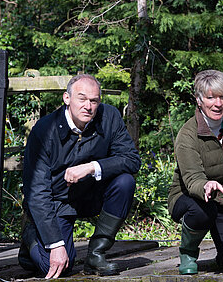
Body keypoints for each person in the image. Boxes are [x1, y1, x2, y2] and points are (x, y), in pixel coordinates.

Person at [18, 74, 141, 278]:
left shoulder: (109, 117)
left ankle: (96, 254)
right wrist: (55, 244)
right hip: (58, 201)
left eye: (94, 101)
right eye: (81, 99)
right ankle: (31, 238)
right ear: (67, 98)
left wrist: (91, 167)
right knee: (57, 267)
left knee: (125, 181)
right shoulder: (44, 130)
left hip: (91, 194)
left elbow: (131, 159)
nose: (88, 106)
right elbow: (37, 192)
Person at [168, 70, 223, 274]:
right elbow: (192, 178)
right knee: (202, 209)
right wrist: (206, 185)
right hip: (191, 197)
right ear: (199, 100)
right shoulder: (188, 133)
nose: (218, 103)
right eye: (211, 97)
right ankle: (188, 251)